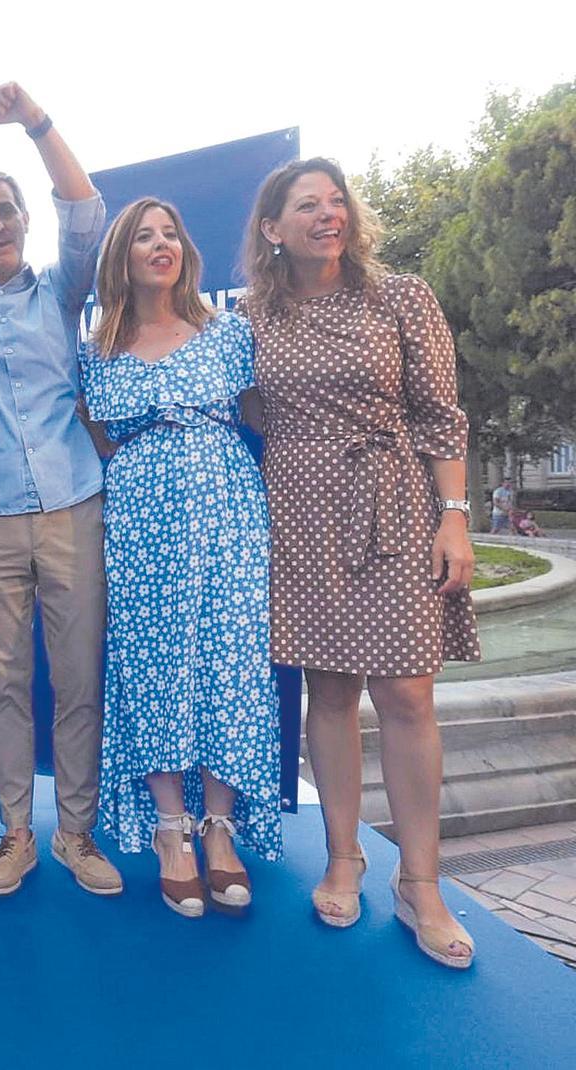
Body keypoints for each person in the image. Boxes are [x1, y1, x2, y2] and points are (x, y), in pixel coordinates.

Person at [242, 157, 480, 968]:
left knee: (409, 692)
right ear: (273, 230)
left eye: (336, 200)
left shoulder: (402, 296)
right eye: (306, 204)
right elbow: (243, 409)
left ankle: (420, 883)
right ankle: (343, 856)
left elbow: (441, 414)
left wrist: (454, 517)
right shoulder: (252, 318)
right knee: (329, 688)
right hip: (296, 507)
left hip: (394, 499)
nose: (327, 214)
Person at [0, 82, 122, 897]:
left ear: (21, 216)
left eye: (5, 210)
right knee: (6, 681)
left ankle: (75, 834)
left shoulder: (61, 290)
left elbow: (86, 212)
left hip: (74, 505)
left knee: (79, 677)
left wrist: (38, 124)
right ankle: (14, 832)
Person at [80, 199, 282, 917]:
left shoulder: (229, 333)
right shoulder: (97, 347)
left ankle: (219, 826)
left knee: (229, 656)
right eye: (144, 236)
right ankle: (172, 827)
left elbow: (264, 417)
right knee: (153, 659)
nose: (160, 244)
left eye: (170, 233)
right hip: (140, 517)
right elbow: (100, 435)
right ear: (122, 256)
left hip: (229, 510)